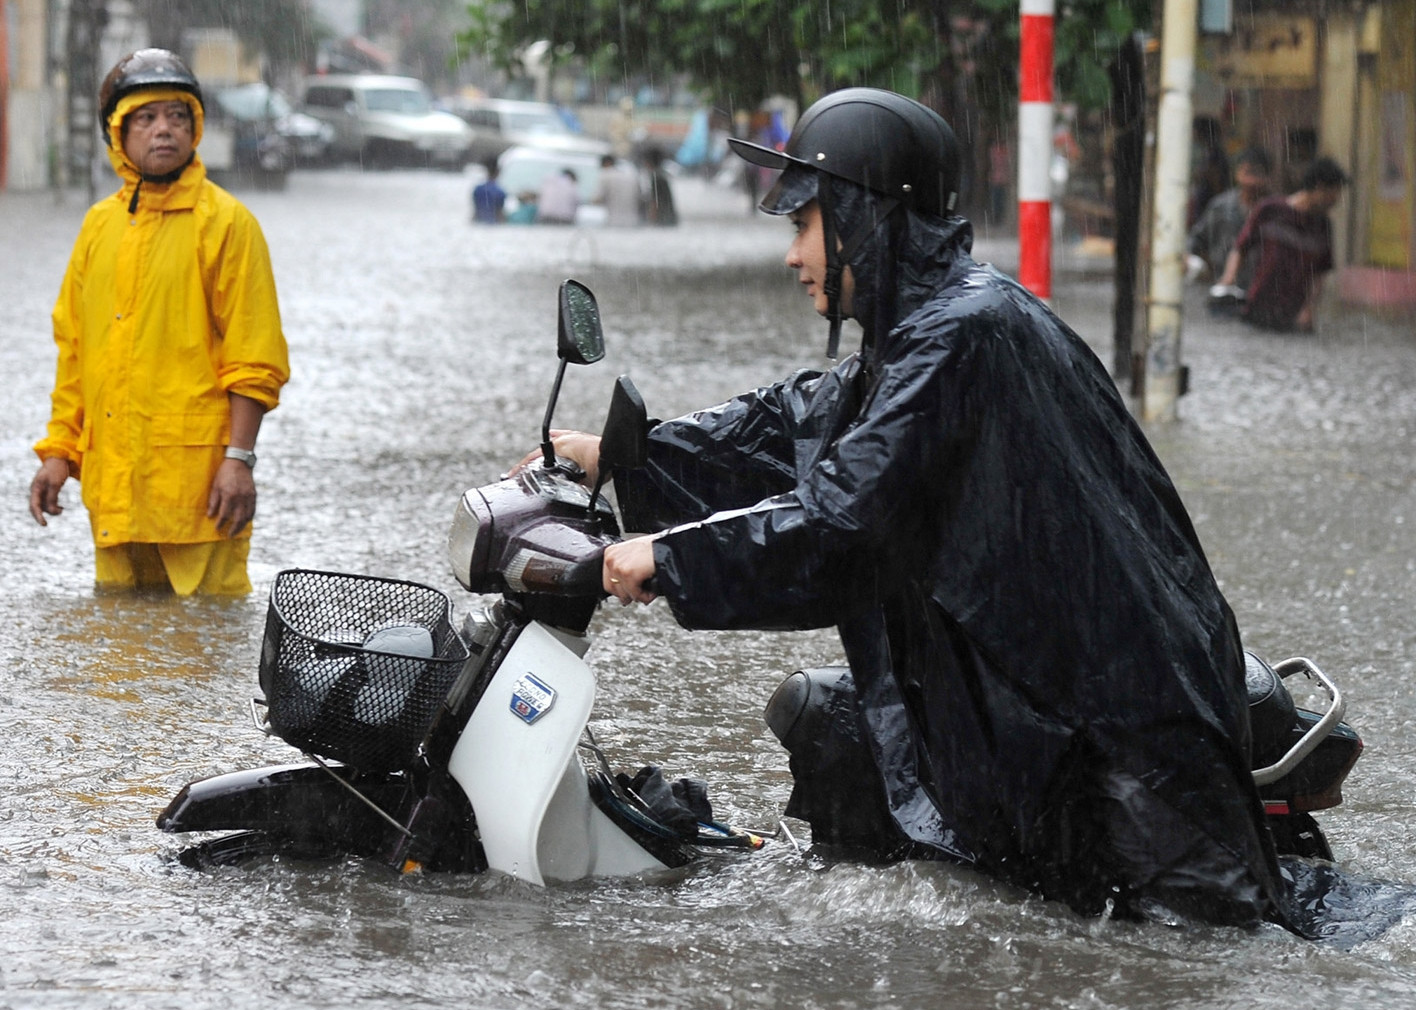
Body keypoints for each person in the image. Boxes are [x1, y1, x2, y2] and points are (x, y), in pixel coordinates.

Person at [534, 88, 1300, 930]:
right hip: (1043, 698)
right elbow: (794, 421)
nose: (792, 257)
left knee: (1185, 968)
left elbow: (841, 522)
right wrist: (628, 455)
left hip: (1123, 729)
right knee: (836, 733)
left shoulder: (961, 334)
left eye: (802, 226)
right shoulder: (924, 330)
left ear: (865, 218)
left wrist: (669, 558)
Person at [28, 49, 290, 596]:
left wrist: (238, 461)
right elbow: (75, 352)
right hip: (113, 489)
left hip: (199, 491)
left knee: (203, 646)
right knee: (121, 656)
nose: (163, 130)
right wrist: (59, 453)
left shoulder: (227, 225)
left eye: (177, 116)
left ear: (195, 128)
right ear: (118, 136)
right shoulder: (99, 227)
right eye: (145, 119)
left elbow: (255, 357)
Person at [1219, 157, 1348, 333]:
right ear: (1319, 188)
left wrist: (1309, 309)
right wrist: (1228, 278)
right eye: (1334, 193)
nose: (1336, 200)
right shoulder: (1270, 210)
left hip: (1291, 316)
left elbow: (1319, 274)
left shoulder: (1323, 226)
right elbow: (1240, 247)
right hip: (1256, 306)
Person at [1188, 147, 1273, 293]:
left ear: (1267, 177)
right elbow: (1196, 241)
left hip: (1262, 292)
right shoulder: (1221, 207)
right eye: (1247, 173)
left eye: (1257, 174)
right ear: (1237, 173)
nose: (1251, 181)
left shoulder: (1275, 211)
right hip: (1221, 289)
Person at [595, 155, 642, 227]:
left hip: (614, 221)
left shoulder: (605, 175)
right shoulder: (631, 176)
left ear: (606, 163)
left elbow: (597, 199)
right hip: (633, 221)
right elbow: (640, 198)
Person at [640, 147, 678, 227]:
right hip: (670, 218)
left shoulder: (656, 177)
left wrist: (651, 220)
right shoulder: (661, 174)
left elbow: (655, 202)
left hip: (663, 219)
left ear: (649, 162)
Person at [472, 158, 508, 224]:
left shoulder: (477, 189)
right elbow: (499, 213)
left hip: (478, 223)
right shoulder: (500, 192)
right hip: (493, 224)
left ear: (487, 171)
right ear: (498, 172)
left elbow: (475, 212)